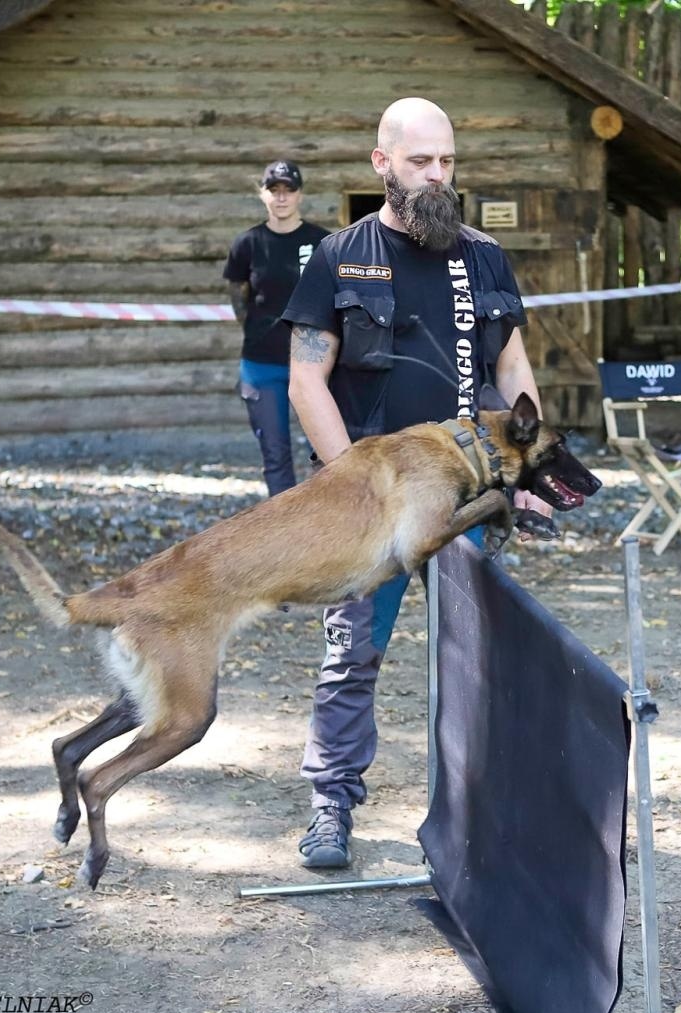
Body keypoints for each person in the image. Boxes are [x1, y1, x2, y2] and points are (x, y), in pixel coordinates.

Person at [279, 98, 553, 868]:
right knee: (352, 654)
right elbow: (307, 382)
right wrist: (351, 485)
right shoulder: (339, 256)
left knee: (477, 657)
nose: (437, 176)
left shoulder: (485, 257)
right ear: (382, 164)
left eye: (448, 162)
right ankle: (331, 807)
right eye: (420, 161)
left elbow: (511, 369)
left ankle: (477, 817)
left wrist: (527, 470)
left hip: (470, 500)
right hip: (372, 509)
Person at [223, 160, 330, 496]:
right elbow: (239, 299)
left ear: (300, 194)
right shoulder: (247, 243)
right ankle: (286, 534)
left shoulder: (322, 242)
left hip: (314, 363)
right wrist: (262, 332)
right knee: (275, 455)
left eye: (289, 190)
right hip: (262, 364)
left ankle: (328, 524)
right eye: (274, 190)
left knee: (326, 452)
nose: (282, 198)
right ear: (263, 194)